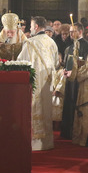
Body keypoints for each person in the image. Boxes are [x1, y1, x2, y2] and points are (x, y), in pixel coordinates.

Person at [17, 16, 59, 151]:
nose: (30, 28)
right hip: (47, 82)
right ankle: (47, 142)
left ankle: (35, 142)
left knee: (34, 108)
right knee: (46, 110)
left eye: (31, 26)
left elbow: (20, 62)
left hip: (33, 82)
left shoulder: (30, 43)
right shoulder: (51, 42)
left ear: (35, 27)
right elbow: (56, 63)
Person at [60, 23, 88, 140]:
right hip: (70, 81)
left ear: (80, 31)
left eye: (73, 31)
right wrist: (65, 70)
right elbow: (66, 62)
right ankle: (67, 131)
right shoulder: (69, 47)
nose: (71, 34)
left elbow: (87, 64)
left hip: (79, 81)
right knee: (68, 104)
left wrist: (76, 70)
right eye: (70, 32)